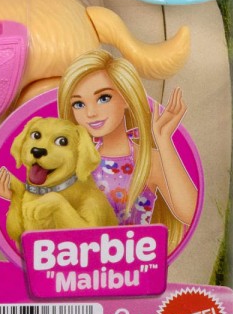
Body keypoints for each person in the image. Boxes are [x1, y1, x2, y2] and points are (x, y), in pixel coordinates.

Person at [58, 48, 198, 248]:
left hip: (133, 261)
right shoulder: (75, 162)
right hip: (78, 261)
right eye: (78, 104)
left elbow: (191, 212)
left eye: (103, 98)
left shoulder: (147, 161)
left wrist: (164, 140)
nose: (91, 113)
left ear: (125, 97)